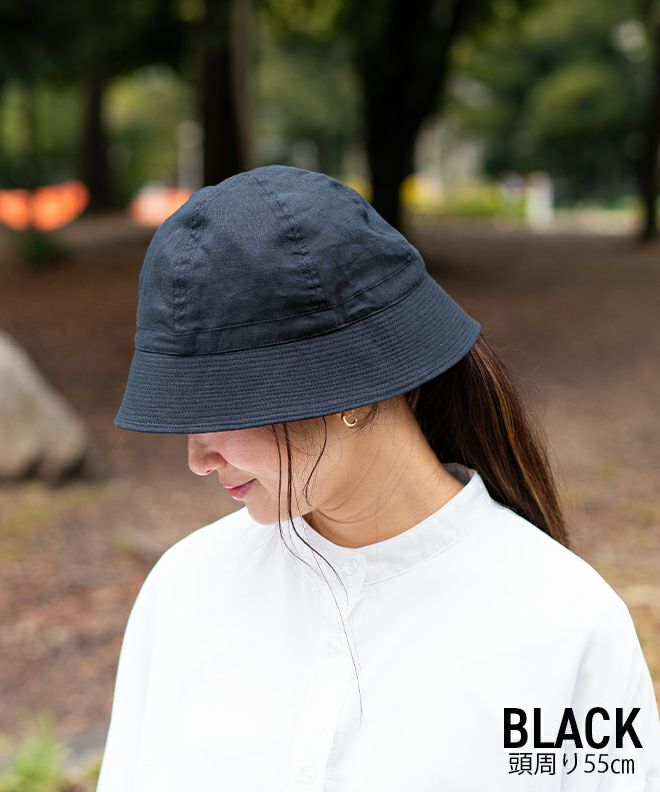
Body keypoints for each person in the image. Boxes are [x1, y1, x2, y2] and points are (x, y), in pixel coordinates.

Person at [96, 164, 660, 791]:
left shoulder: (564, 625)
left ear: (354, 387)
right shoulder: (184, 592)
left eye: (221, 408)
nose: (198, 458)